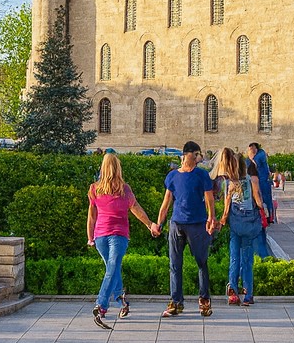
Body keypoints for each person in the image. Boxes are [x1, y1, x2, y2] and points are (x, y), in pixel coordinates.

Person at [87, 152, 159, 328]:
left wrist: (149, 224)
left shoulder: (114, 189)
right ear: (118, 168)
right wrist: (149, 224)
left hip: (110, 235)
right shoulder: (103, 189)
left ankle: (101, 305)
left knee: (111, 268)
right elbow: (135, 209)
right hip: (106, 236)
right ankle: (121, 301)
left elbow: (92, 216)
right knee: (112, 269)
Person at [155, 140, 218, 317]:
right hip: (177, 224)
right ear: (187, 155)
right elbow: (166, 202)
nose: (199, 158)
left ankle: (204, 300)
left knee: (201, 262)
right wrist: (159, 223)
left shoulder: (202, 175)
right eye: (197, 154)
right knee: (175, 264)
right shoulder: (173, 176)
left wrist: (211, 218)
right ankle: (176, 302)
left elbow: (209, 199)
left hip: (197, 223)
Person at [215, 147, 269, 307]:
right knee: (247, 259)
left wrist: (222, 220)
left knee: (234, 258)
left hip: (235, 224)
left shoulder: (229, 183)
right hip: (250, 224)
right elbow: (258, 201)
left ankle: (233, 292)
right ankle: (248, 294)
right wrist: (265, 209)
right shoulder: (251, 180)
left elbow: (226, 206)